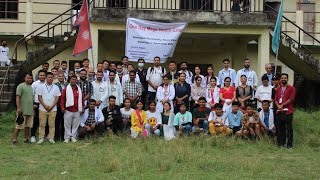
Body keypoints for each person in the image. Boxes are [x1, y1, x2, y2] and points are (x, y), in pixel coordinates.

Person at [36, 72, 61, 144]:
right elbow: (39, 97)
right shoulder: (41, 86)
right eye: (49, 77)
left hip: (53, 109)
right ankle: (41, 138)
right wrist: (45, 105)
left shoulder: (56, 87)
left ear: (53, 78)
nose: (50, 79)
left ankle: (51, 138)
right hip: (42, 108)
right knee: (42, 124)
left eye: (51, 77)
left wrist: (52, 106)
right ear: (46, 78)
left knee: (52, 124)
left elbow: (57, 97)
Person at [60, 75, 85, 143]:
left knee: (75, 125)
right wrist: (62, 107)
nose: (74, 81)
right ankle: (67, 138)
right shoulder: (66, 89)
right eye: (72, 79)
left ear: (77, 80)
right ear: (69, 80)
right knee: (67, 125)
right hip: (68, 110)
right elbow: (62, 99)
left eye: (75, 79)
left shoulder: (79, 89)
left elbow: (82, 99)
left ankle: (73, 137)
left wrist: (82, 107)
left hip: (77, 110)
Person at [12, 72, 34, 145]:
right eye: (28, 78)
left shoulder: (31, 87)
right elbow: (17, 98)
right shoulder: (20, 86)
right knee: (18, 126)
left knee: (28, 126)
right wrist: (18, 108)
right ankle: (14, 140)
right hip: (22, 110)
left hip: (30, 110)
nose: (29, 79)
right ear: (25, 78)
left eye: (31, 78)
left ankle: (26, 139)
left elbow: (30, 99)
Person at [275, 73, 296, 148]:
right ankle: (282, 143)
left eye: (285, 78)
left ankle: (289, 145)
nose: (283, 79)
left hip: (288, 111)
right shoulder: (278, 89)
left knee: (289, 129)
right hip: (280, 111)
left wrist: (282, 105)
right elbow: (276, 100)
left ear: (287, 79)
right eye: (282, 78)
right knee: (281, 128)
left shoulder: (291, 88)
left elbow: (291, 99)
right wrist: (278, 106)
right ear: (280, 79)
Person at [30, 70, 46, 143]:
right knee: (36, 121)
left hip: (46, 105)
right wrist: (33, 104)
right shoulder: (34, 84)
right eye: (41, 75)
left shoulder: (48, 83)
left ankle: (43, 136)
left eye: (43, 75)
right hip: (37, 104)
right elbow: (31, 95)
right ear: (38, 76)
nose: (42, 76)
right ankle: (33, 136)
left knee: (44, 121)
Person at [54, 72, 68, 141]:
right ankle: (56, 136)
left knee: (64, 122)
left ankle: (63, 136)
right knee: (57, 122)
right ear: (57, 77)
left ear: (64, 77)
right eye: (59, 76)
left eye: (62, 76)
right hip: (57, 105)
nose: (61, 77)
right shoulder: (55, 85)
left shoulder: (68, 85)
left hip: (66, 106)